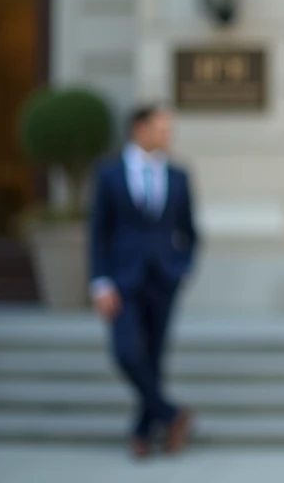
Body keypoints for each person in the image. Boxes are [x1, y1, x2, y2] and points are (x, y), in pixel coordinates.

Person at [88, 104, 197, 459]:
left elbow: (190, 231)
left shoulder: (179, 174)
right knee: (126, 352)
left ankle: (142, 433)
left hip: (164, 280)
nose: (168, 136)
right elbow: (98, 232)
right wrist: (100, 282)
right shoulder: (109, 173)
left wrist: (183, 268)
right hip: (121, 280)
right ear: (139, 128)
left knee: (153, 357)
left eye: (170, 130)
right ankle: (171, 414)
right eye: (162, 129)